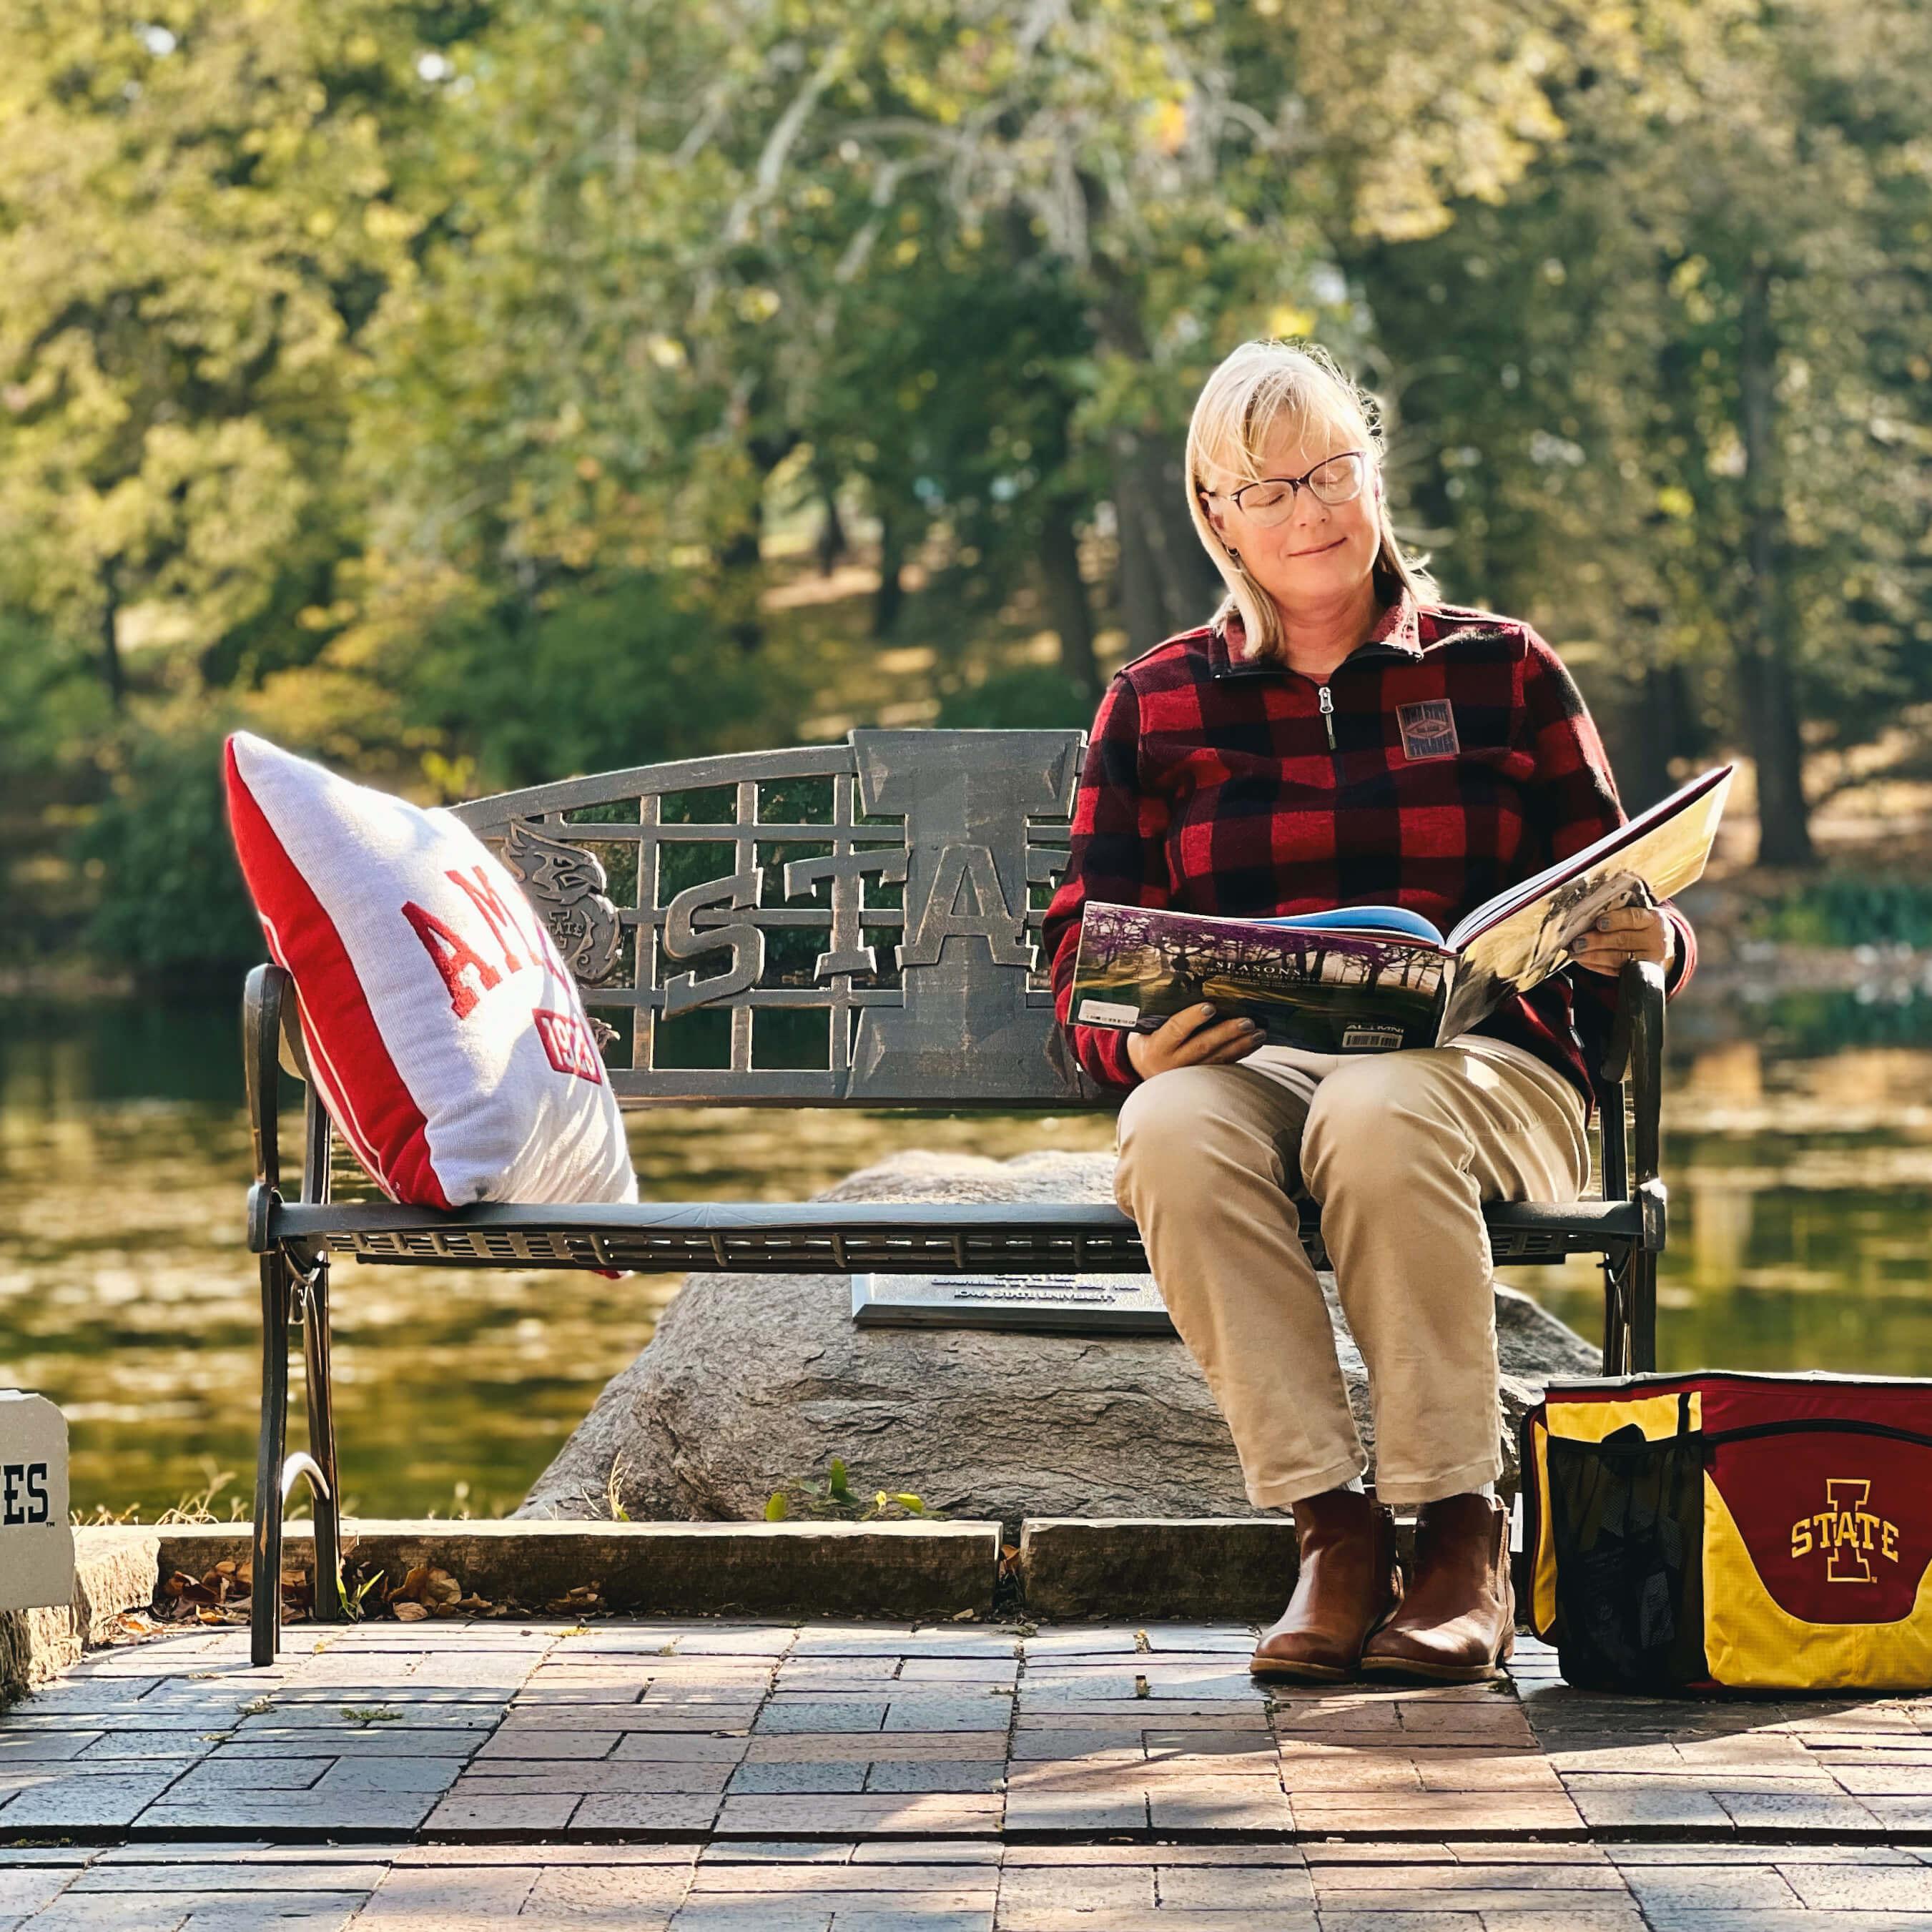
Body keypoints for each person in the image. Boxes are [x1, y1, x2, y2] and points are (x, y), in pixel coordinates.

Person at [1040, 340, 1697, 1683]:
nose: (1311, 510)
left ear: (1373, 468)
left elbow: (1627, 898)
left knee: (1380, 1103)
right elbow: (1080, 940)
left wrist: (1653, 932)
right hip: (1256, 1063)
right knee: (1166, 1125)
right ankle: (1331, 1531)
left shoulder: (1503, 669)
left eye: (1333, 468)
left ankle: (1462, 1531)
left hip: (1488, 1071)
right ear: (1214, 515)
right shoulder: (1157, 700)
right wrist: (1130, 1039)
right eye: (1268, 488)